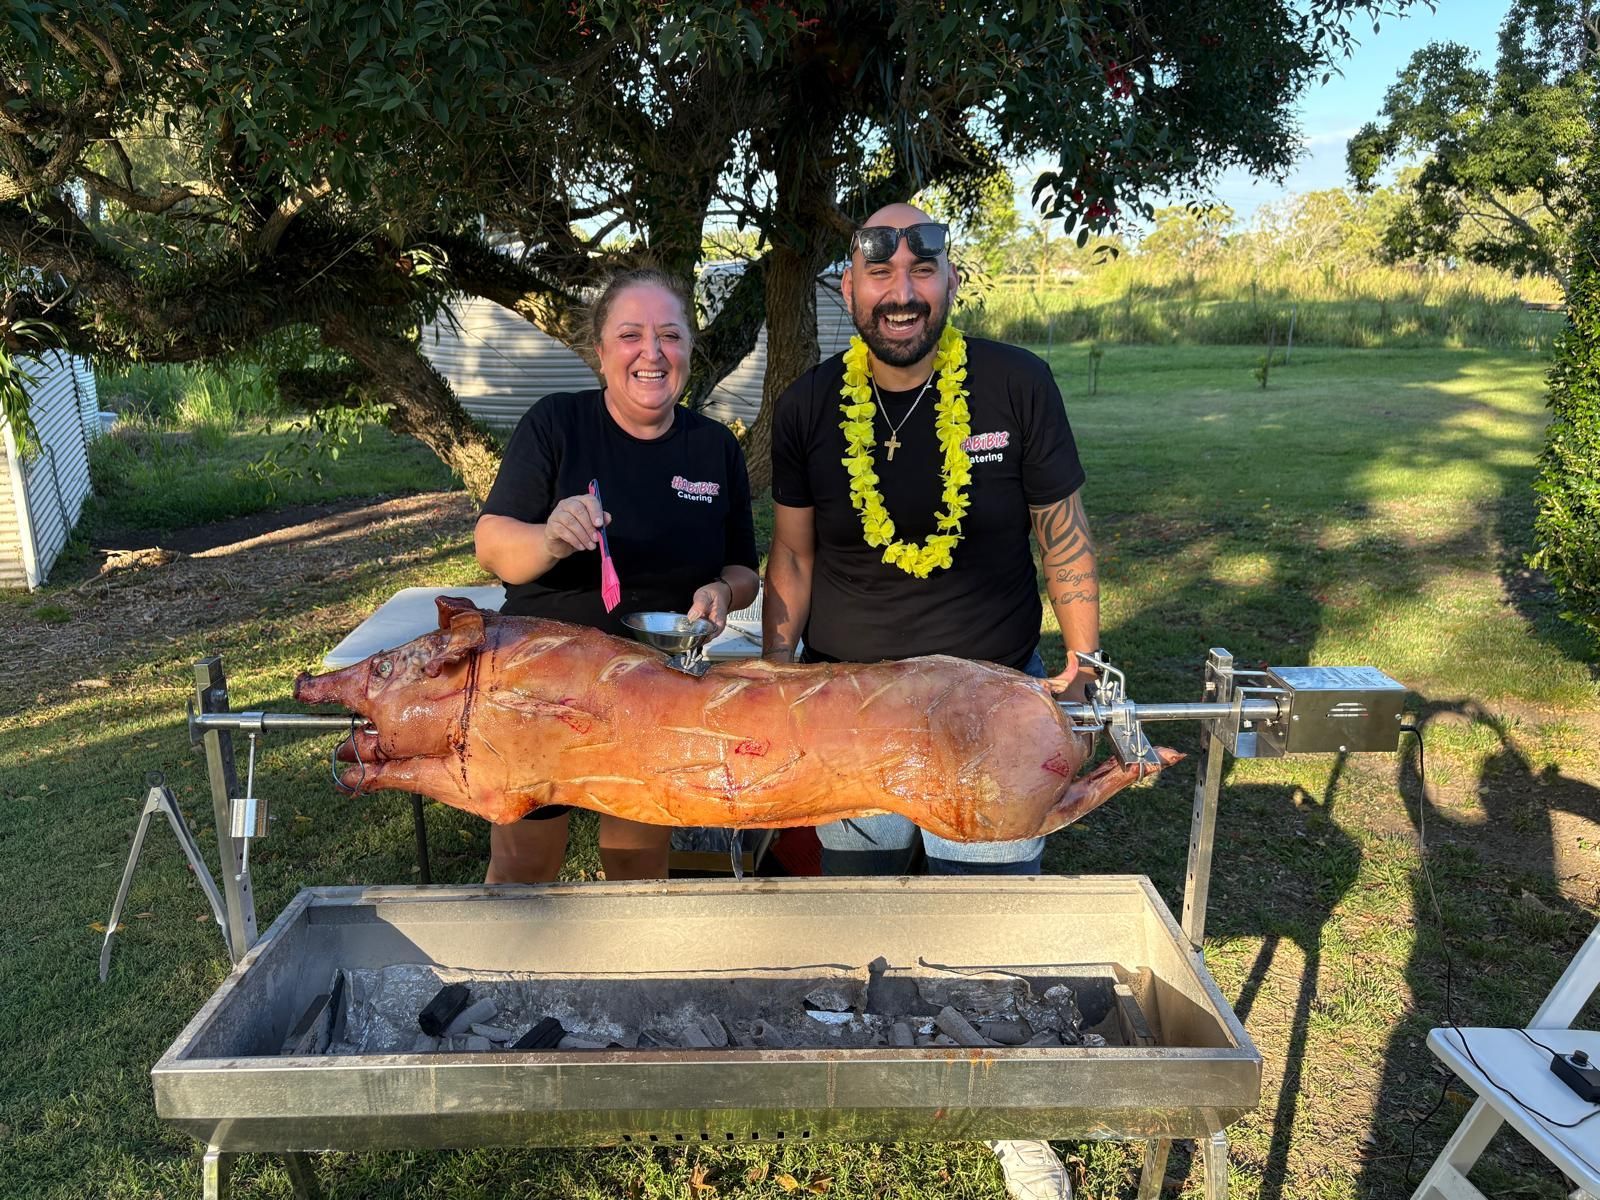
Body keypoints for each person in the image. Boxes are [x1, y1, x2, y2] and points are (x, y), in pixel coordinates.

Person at [763, 202, 1101, 877]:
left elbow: (1061, 534)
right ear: (849, 288)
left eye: (923, 270)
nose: (902, 293)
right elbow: (794, 556)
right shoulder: (806, 406)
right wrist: (774, 676)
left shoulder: (1018, 384)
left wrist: (1086, 666)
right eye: (880, 271)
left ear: (950, 281)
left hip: (995, 706)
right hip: (850, 708)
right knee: (862, 919)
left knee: (987, 926)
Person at [475, 268, 760, 883]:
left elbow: (744, 570)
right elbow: (493, 546)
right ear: (601, 352)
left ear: (689, 349)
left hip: (650, 688)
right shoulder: (556, 425)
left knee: (637, 867)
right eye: (631, 335)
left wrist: (722, 591)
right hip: (539, 686)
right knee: (524, 866)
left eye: (670, 335)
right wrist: (550, 536)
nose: (651, 353)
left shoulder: (715, 449)